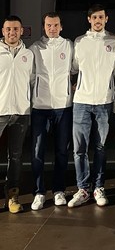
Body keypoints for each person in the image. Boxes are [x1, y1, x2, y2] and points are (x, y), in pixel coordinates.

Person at [68, 4, 115, 208]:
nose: (98, 20)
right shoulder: (79, 42)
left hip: (104, 102)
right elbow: (74, 68)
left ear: (106, 19)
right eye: (94, 17)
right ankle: (82, 189)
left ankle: (98, 187)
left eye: (101, 17)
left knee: (100, 147)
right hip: (81, 101)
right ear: (89, 19)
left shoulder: (114, 41)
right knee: (80, 149)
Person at [29, 12, 74, 211]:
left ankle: (58, 190)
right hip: (40, 108)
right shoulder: (35, 49)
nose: (52, 28)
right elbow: (30, 76)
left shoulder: (69, 46)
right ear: (43, 27)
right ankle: (39, 192)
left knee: (62, 151)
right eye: (48, 25)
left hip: (63, 107)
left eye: (55, 25)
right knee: (38, 152)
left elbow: (74, 70)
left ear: (61, 26)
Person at [0, 15, 34, 213]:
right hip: (1, 111)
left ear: (22, 31)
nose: (12, 32)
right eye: (8, 29)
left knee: (16, 156)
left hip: (21, 113)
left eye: (15, 29)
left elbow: (31, 81)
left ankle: (12, 195)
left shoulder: (28, 55)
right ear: (3, 31)